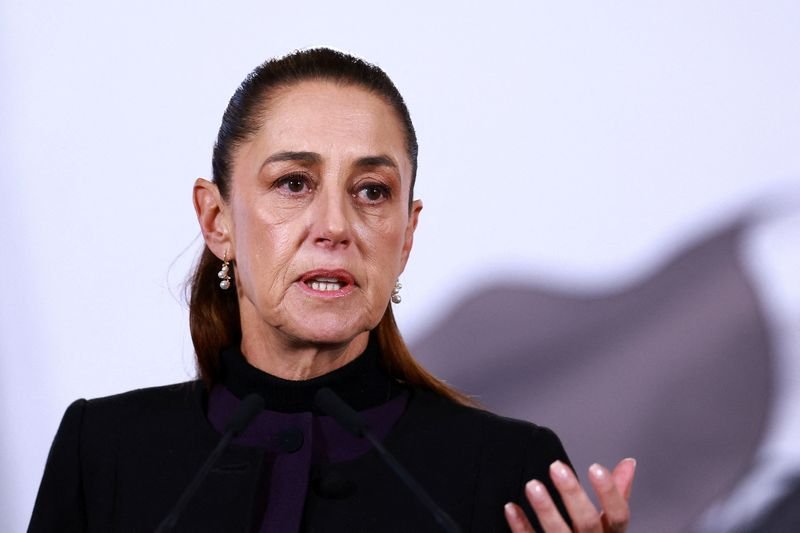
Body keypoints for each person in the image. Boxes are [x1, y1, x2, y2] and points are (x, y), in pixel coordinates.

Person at [29, 47, 635, 532]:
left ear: (406, 235)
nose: (336, 227)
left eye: (372, 191)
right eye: (294, 183)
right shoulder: (102, 451)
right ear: (217, 221)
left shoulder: (507, 471)